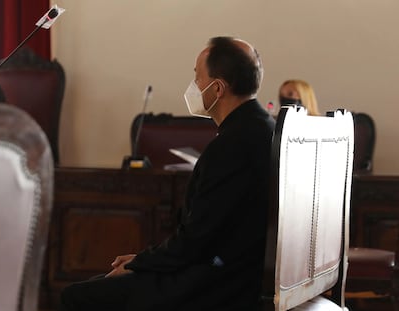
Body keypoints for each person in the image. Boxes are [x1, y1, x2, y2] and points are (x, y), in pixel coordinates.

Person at [60, 36, 275, 311]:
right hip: (236, 273)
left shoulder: (232, 145)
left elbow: (194, 242)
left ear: (218, 88)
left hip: (217, 284)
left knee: (78, 296)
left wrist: (139, 263)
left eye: (197, 77)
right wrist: (143, 261)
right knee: (100, 285)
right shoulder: (263, 127)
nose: (194, 86)